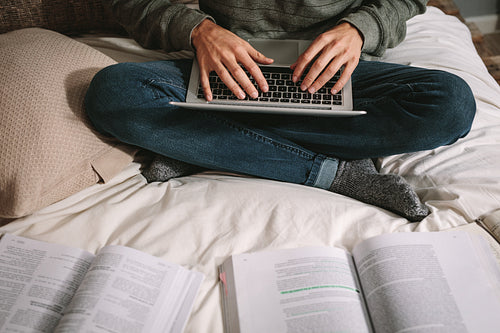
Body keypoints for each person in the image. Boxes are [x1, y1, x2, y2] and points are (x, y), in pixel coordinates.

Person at [84, 0, 476, 221]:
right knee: (113, 93)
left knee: (451, 104)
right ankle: (336, 172)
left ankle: (203, 144)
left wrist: (360, 29)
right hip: (227, 65)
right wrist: (199, 30)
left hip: (338, 69)